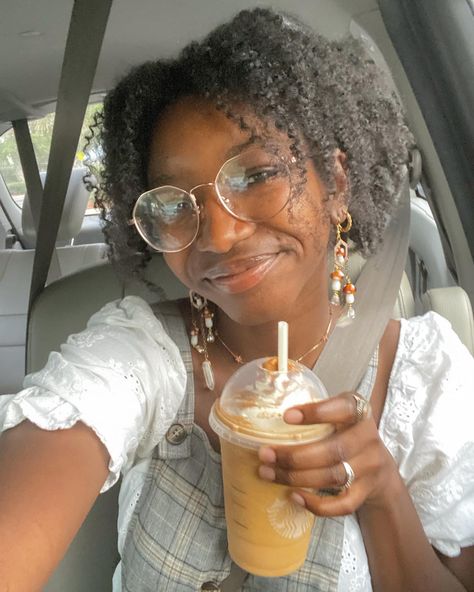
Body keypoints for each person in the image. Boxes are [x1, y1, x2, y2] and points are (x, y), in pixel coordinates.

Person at [1, 7, 473, 592]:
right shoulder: (138, 353)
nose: (219, 237)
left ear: (337, 181)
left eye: (256, 176)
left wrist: (381, 496)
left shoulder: (428, 380)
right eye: (175, 204)